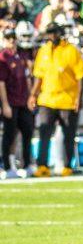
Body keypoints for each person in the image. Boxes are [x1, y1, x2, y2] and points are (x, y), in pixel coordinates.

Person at [30, 20, 83, 176]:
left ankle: (68, 165)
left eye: (54, 32)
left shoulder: (71, 50)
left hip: (67, 99)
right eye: (50, 33)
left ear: (60, 33)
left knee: (69, 135)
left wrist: (78, 97)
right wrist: (33, 94)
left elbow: (80, 76)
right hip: (47, 99)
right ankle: (42, 166)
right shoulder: (43, 51)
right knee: (44, 133)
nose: (52, 36)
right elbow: (38, 76)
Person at [0, 25, 35, 178]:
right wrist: (5, 104)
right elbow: (1, 83)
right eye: (9, 38)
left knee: (27, 132)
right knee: (9, 135)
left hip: (22, 100)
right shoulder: (3, 57)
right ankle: (7, 166)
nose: (12, 41)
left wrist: (30, 97)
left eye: (13, 38)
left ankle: (27, 164)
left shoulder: (21, 56)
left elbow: (27, 78)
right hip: (11, 101)